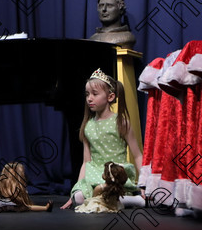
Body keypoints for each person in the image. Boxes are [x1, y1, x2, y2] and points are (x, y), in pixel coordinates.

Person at [60, 68, 144, 210]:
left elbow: (137, 155)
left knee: (108, 188)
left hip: (115, 173)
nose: (89, 98)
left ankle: (132, 200)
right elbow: (86, 162)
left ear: (110, 97)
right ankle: (116, 200)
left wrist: (143, 184)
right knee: (79, 197)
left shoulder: (121, 122)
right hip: (94, 173)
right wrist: (77, 188)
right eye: (87, 94)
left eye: (94, 94)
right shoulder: (88, 126)